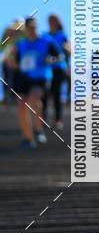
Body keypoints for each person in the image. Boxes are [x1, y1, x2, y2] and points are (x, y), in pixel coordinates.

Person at [12, 16, 61, 148]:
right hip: (25, 77)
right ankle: (28, 138)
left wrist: (50, 60)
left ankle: (38, 130)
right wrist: (12, 60)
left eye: (34, 27)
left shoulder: (46, 40)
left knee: (34, 98)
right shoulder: (21, 44)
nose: (32, 30)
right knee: (21, 105)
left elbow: (59, 56)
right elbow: (16, 64)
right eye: (29, 28)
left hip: (41, 76)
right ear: (25, 29)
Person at [42, 14, 70, 129]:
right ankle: (43, 118)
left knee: (56, 94)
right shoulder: (44, 35)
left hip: (58, 68)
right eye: (50, 20)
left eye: (53, 20)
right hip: (46, 69)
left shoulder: (62, 36)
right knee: (44, 94)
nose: (51, 22)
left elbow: (69, 50)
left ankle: (58, 119)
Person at [1, 18, 23, 104]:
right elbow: (2, 49)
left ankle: (15, 98)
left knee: (17, 80)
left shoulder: (22, 38)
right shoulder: (6, 38)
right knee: (7, 80)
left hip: (19, 63)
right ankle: (7, 98)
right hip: (7, 62)